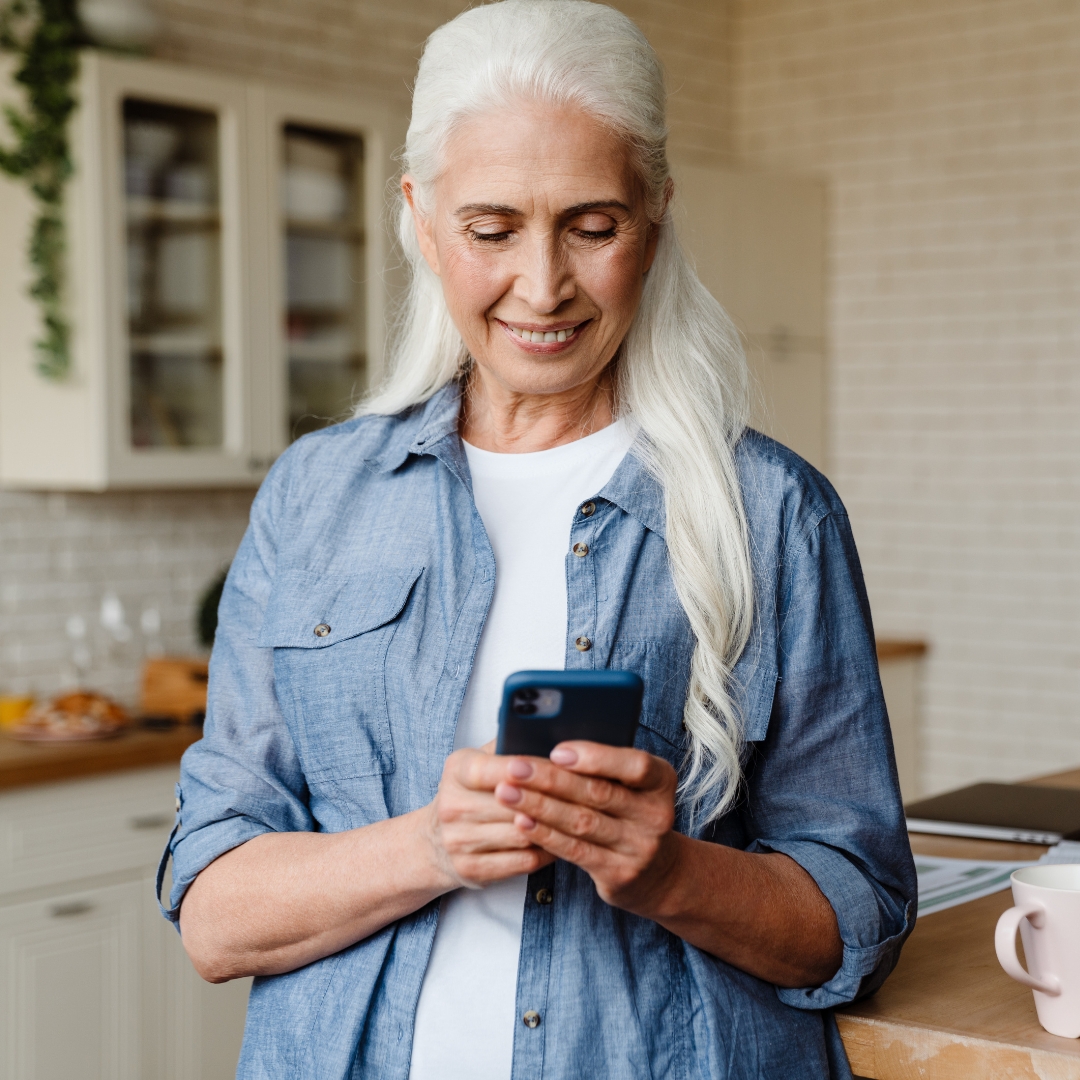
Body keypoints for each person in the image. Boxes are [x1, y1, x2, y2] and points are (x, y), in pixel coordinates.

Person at [159, 3, 916, 1077]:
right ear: (421, 217)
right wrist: (427, 846)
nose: (544, 284)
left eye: (592, 225)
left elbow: (858, 918)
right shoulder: (314, 498)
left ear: (655, 213)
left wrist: (667, 873)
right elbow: (215, 917)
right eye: (492, 228)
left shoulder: (776, 513)